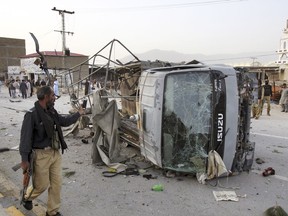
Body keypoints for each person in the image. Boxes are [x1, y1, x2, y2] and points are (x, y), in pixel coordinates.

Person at [19, 86, 85, 216]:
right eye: (52, 96)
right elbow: (25, 139)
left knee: (56, 184)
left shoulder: (51, 111)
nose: (54, 98)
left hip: (55, 153)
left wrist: (78, 114)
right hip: (40, 155)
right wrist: (24, 159)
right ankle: (26, 197)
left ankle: (52, 211)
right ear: (46, 97)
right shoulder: (31, 115)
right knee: (41, 186)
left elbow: (64, 121)